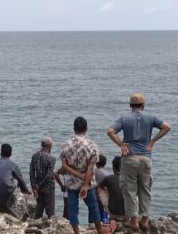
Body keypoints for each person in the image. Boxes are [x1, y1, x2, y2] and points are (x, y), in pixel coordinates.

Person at [107, 93, 171, 230]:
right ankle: (145, 219)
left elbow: (110, 131)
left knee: (129, 189)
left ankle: (134, 221)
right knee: (145, 188)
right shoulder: (151, 117)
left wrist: (121, 144)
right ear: (143, 105)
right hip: (146, 157)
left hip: (129, 158)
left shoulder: (124, 118)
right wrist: (153, 140)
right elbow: (166, 127)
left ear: (130, 105)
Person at [61, 117, 108, 234]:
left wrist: (78, 175)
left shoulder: (66, 145)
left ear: (74, 129)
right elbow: (90, 168)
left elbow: (64, 166)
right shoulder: (92, 145)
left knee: (72, 209)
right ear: (86, 129)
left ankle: (76, 232)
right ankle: (99, 230)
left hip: (71, 183)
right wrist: (85, 185)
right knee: (93, 207)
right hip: (88, 182)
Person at [0, 144, 31, 217]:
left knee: (7, 175)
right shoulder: (12, 164)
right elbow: (21, 179)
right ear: (11, 154)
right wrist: (27, 191)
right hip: (6, 192)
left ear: (1, 153)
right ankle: (24, 192)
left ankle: (0, 201)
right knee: (16, 178)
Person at [29, 136, 56, 219]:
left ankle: (36, 226)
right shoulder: (51, 158)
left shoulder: (35, 156)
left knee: (39, 209)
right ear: (49, 145)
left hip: (37, 187)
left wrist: (34, 186)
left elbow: (31, 172)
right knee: (50, 211)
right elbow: (48, 175)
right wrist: (39, 185)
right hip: (48, 187)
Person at [94, 154, 110, 224]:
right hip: (103, 196)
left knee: (94, 209)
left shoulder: (93, 172)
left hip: (94, 195)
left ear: (96, 163)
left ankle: (93, 223)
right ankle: (104, 222)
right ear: (105, 163)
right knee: (103, 210)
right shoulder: (106, 174)